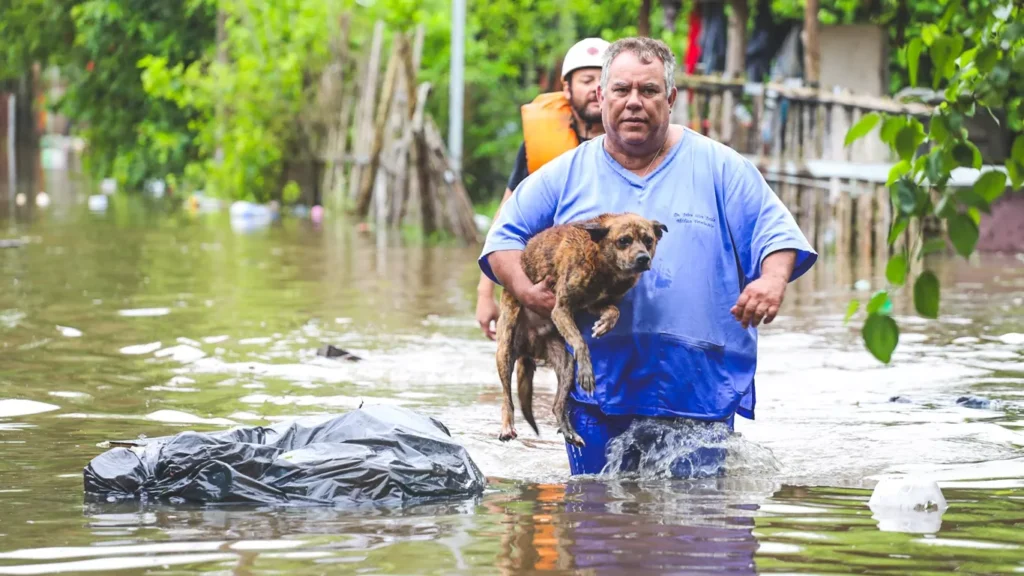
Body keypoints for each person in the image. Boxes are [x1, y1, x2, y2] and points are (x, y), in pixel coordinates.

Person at [477, 37, 817, 477]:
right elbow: (502, 238)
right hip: (598, 390)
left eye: (649, 90)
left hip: (698, 389)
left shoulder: (720, 166)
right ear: (602, 97)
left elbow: (775, 233)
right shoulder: (565, 173)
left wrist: (772, 280)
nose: (634, 102)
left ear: (671, 98)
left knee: (701, 530)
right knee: (597, 524)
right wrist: (526, 292)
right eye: (621, 90)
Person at [475, 37, 611, 340]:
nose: (595, 89)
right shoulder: (539, 145)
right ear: (567, 89)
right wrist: (485, 293)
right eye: (586, 80)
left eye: (603, 81)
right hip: (550, 271)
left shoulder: (631, 143)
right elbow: (505, 219)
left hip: (603, 274)